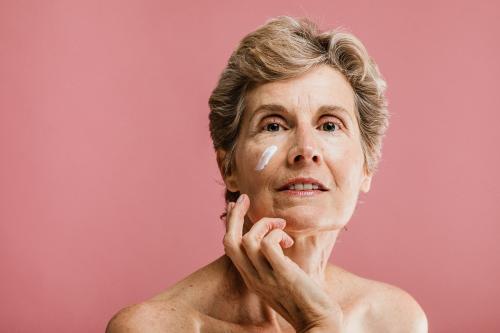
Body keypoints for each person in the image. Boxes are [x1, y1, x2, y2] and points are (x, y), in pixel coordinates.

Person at [106, 16, 428, 332]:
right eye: (273, 125)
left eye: (330, 125)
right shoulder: (154, 327)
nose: (305, 149)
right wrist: (319, 325)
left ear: (367, 166)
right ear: (228, 167)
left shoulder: (392, 320)